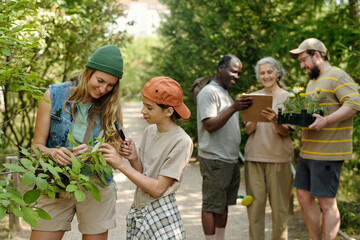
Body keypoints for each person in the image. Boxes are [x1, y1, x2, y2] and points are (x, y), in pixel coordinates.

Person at [31, 44, 124, 240]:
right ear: (88, 72)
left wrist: (95, 152)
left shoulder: (112, 105)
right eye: (100, 81)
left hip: (95, 185)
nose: (103, 89)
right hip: (55, 184)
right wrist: (53, 153)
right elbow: (35, 147)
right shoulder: (53, 95)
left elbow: (116, 149)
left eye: (110, 85)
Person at [98, 76, 193, 239]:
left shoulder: (181, 141)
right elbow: (143, 174)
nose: (143, 111)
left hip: (160, 210)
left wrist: (121, 165)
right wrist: (134, 159)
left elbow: (157, 189)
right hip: (140, 207)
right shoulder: (150, 131)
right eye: (143, 105)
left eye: (149, 107)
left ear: (169, 111)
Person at [289, 38, 360, 240]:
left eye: (303, 60)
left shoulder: (337, 75)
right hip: (308, 152)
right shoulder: (312, 82)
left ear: (317, 55)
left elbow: (355, 103)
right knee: (303, 197)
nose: (301, 65)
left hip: (329, 152)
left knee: (327, 203)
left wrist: (326, 121)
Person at [196, 54, 252, 240]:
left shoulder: (224, 92)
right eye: (233, 71)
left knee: (223, 205)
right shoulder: (208, 92)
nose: (236, 76)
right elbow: (209, 125)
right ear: (221, 68)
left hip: (228, 159)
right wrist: (234, 108)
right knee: (211, 205)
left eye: (239, 74)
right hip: (215, 159)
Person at [244, 57, 294, 240]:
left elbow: (285, 133)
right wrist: (257, 114)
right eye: (262, 73)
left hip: (279, 159)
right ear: (259, 76)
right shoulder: (253, 97)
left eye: (270, 72)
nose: (266, 76)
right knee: (255, 210)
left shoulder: (289, 98)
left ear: (277, 73)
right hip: (254, 158)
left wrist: (274, 119)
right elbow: (249, 130)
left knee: (280, 211)